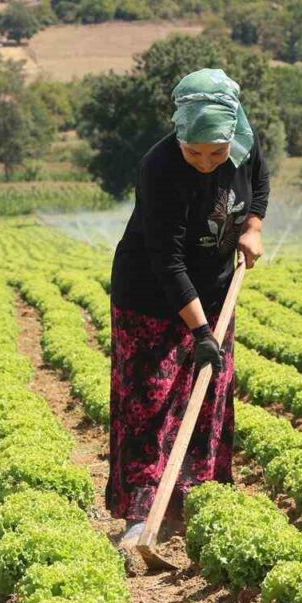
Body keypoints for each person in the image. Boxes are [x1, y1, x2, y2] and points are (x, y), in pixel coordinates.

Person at [107, 69, 268, 545]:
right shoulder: (159, 167)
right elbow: (167, 259)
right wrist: (201, 334)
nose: (204, 162)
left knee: (208, 398)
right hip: (152, 296)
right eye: (193, 151)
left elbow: (258, 184)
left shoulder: (244, 144)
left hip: (217, 290)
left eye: (215, 153)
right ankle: (143, 516)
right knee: (151, 404)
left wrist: (253, 227)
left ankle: (196, 506)